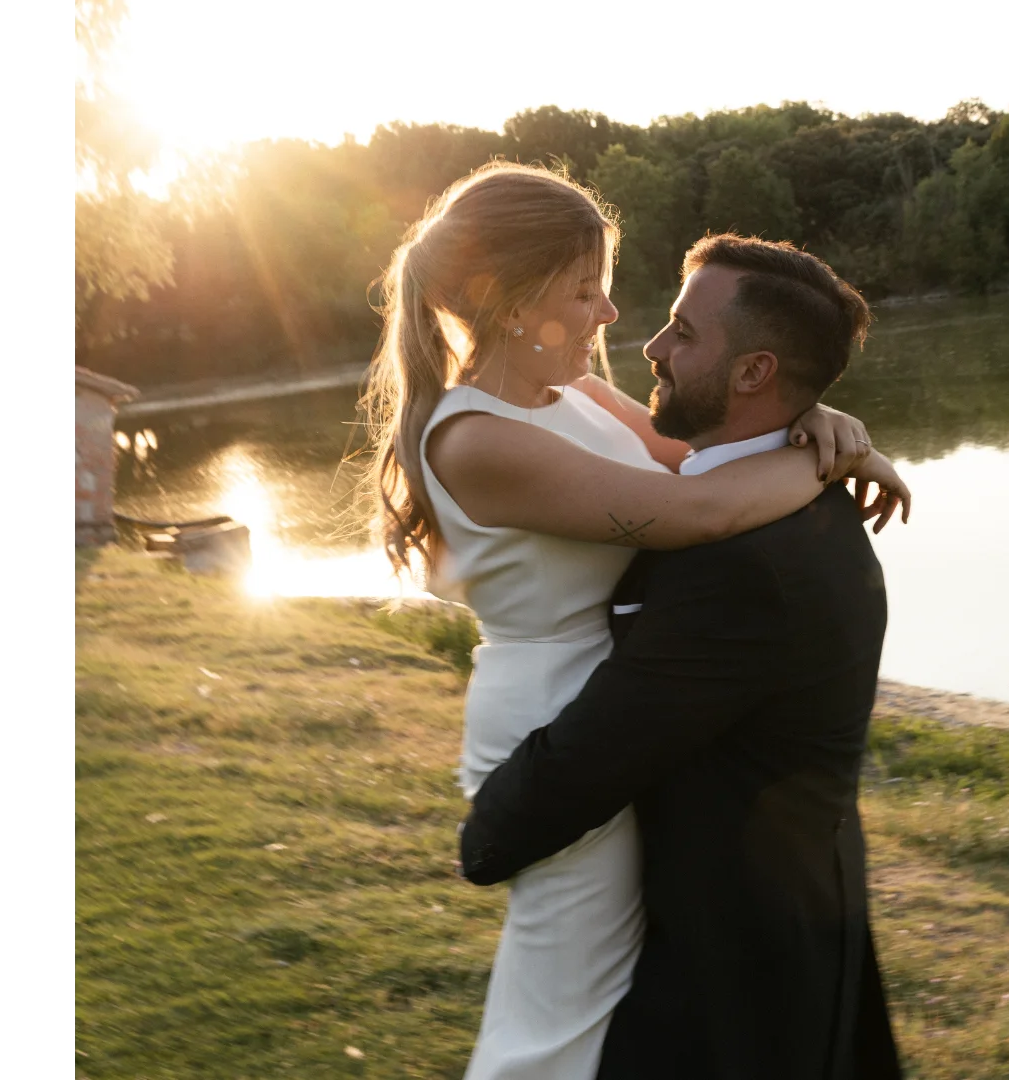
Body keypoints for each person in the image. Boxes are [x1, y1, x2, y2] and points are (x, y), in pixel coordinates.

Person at [359, 161, 909, 1080]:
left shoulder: (569, 393)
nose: (612, 318)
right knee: (565, 999)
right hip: (552, 710)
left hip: (609, 689)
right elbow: (697, 512)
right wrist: (830, 460)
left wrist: (820, 421)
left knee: (603, 991)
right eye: (586, 291)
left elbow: (698, 455)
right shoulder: (473, 434)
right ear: (511, 297)